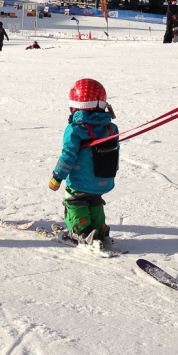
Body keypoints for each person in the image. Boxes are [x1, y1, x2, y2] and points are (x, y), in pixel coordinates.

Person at [48, 79, 119, 249]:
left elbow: (68, 155)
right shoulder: (111, 128)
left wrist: (57, 176)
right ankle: (99, 229)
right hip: (104, 178)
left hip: (81, 180)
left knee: (74, 201)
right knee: (94, 200)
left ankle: (80, 231)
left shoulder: (75, 129)